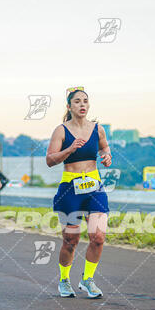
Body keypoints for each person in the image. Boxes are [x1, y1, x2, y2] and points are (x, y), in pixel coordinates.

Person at [46, 88, 112, 298]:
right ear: (69, 107)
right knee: (70, 240)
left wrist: (107, 157)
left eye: (85, 101)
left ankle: (88, 280)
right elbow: (50, 160)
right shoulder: (61, 131)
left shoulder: (98, 129)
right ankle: (64, 280)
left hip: (94, 186)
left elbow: (104, 148)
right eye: (77, 102)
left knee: (98, 236)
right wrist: (70, 149)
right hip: (70, 188)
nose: (82, 105)